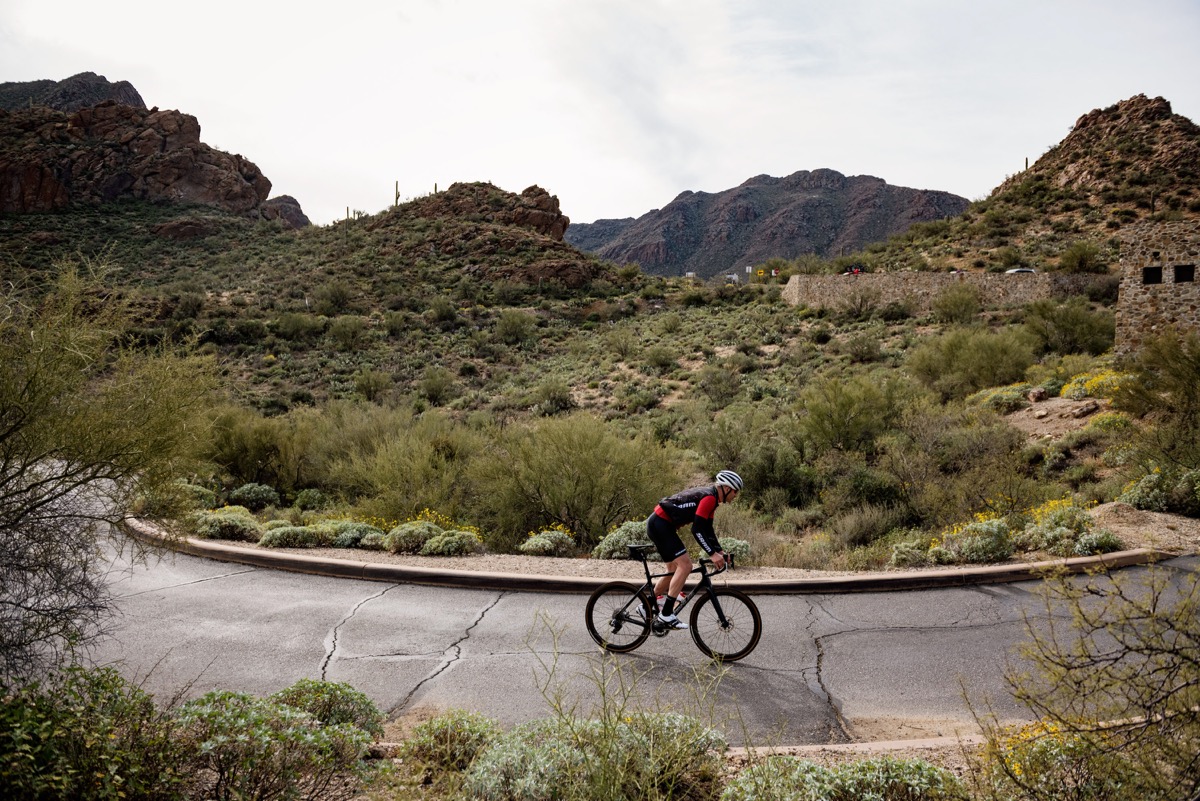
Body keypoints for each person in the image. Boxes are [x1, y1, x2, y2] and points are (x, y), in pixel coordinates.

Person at [644, 470, 743, 629]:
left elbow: (707, 529)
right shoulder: (709, 498)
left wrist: (720, 551)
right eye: (735, 491)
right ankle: (666, 614)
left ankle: (646, 605)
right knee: (686, 566)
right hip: (660, 524)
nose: (736, 495)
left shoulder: (712, 499)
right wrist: (712, 554)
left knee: (673, 570)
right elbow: (697, 530)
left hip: (659, 524)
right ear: (726, 489)